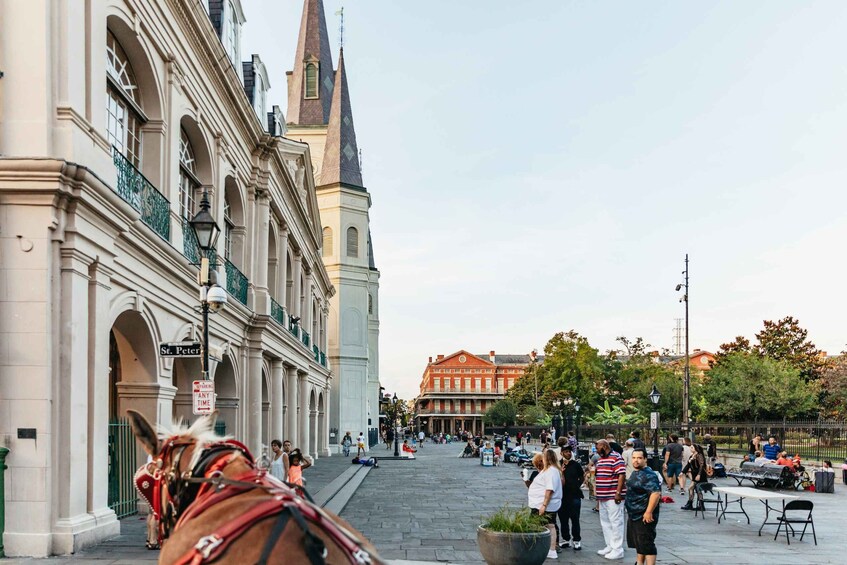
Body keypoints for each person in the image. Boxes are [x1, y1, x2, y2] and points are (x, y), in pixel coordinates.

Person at [625, 448, 662, 565]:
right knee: (638, 543)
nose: (636, 461)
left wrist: (649, 512)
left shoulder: (649, 474)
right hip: (634, 515)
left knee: (646, 543)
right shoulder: (636, 472)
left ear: (645, 459)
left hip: (643, 515)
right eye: (634, 458)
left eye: (639, 458)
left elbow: (655, 493)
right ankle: (639, 562)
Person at [526, 450, 562, 561]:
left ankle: (548, 549)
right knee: (549, 525)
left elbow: (549, 489)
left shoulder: (551, 471)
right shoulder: (551, 470)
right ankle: (549, 549)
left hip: (543, 504)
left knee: (541, 526)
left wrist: (544, 505)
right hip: (541, 503)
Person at [595, 439, 626, 561]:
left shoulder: (616, 457)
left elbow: (621, 474)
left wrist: (618, 493)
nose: (597, 451)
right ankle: (610, 545)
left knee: (616, 522)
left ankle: (618, 549)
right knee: (605, 522)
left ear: (604, 446)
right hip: (603, 495)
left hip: (613, 495)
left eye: (597, 448)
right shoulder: (601, 459)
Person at [558, 445, 585, 551]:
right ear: (562, 453)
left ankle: (576, 540)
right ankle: (566, 539)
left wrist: (577, 484)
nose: (568, 453)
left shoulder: (576, 464)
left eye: (570, 451)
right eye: (566, 451)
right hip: (562, 496)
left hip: (574, 495)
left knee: (575, 519)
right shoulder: (558, 464)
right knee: (563, 519)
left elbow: (582, 476)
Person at [681, 444, 707, 511]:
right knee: (696, 489)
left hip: (700, 475)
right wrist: (683, 472)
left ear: (695, 448)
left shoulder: (699, 455)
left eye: (692, 447)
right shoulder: (692, 456)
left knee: (693, 488)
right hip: (695, 475)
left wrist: (699, 474)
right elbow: (688, 465)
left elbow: (702, 465)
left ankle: (693, 504)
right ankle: (696, 504)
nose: (690, 448)